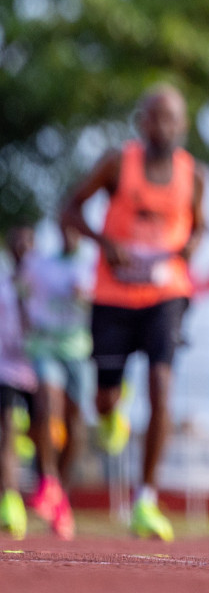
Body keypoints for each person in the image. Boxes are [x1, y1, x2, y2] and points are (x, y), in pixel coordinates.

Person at [61, 84, 206, 541]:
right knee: (105, 394)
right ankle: (109, 415)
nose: (162, 127)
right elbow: (69, 208)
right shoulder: (115, 164)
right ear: (142, 122)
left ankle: (146, 499)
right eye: (154, 117)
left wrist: (182, 253)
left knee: (161, 383)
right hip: (112, 296)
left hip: (166, 295)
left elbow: (199, 229)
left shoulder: (192, 175)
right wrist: (106, 244)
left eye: (171, 119)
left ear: (182, 126)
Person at [9, 219, 91, 538]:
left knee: (76, 425)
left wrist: (85, 297)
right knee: (46, 404)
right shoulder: (42, 265)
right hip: (44, 347)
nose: (70, 233)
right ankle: (48, 480)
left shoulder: (90, 265)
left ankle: (61, 496)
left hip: (78, 352)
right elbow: (18, 282)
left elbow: (98, 301)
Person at [0, 243, 37, 539]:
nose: (20, 250)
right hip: (7, 372)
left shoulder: (42, 283)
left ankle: (52, 493)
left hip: (39, 370)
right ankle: (10, 502)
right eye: (16, 244)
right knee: (8, 434)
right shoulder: (3, 287)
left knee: (51, 434)